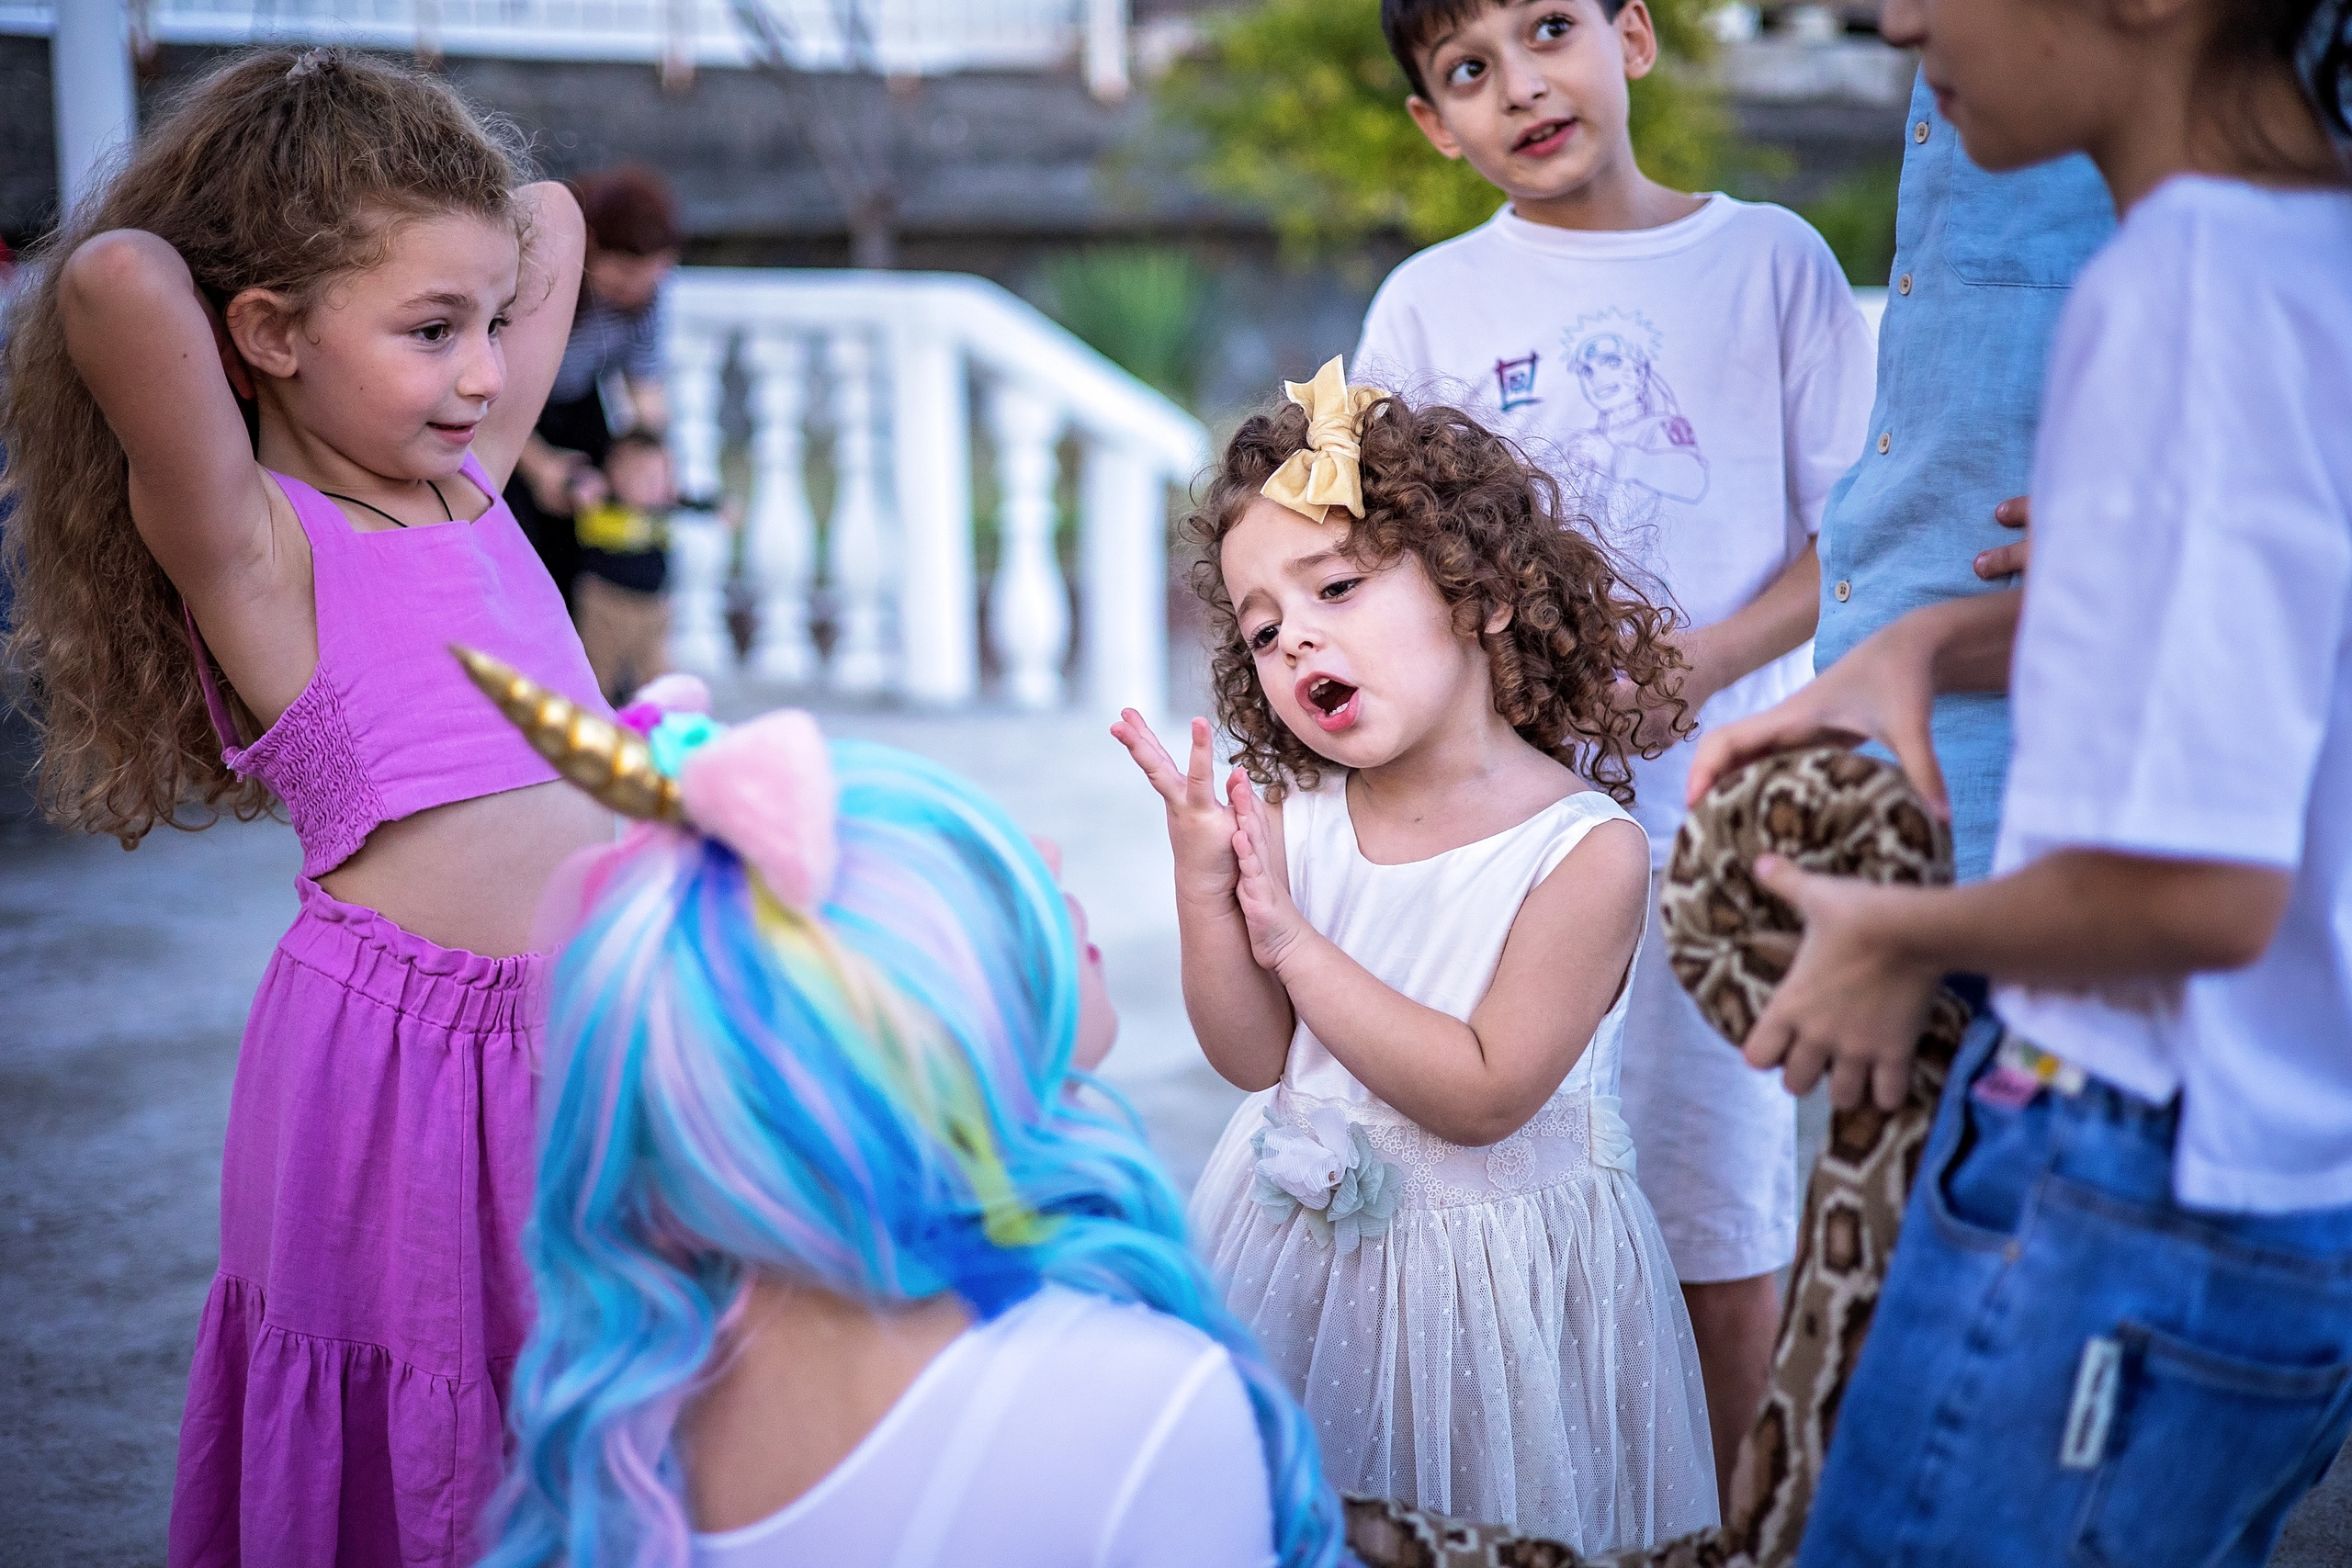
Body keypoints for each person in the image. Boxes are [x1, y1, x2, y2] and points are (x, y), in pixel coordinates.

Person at [1688, 0, 2352, 1553]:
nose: (1889, 16)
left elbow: (2201, 890)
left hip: (2123, 1184)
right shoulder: (2311, 260)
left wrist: (1892, 938)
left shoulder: (2175, 289)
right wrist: (1933, 647)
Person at [0, 49, 611, 1564]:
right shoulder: (256, 542)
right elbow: (125, 277)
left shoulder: (467, 481)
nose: (482, 372)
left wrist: (411, 259)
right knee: (428, 1383)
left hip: (603, 1012)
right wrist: (276, 137)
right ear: (265, 330)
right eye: (428, 330)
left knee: (597, 1368)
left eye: (487, 325)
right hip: (407, 1055)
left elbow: (549, 219)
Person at [468, 668, 1344, 1567]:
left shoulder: (643, 1401)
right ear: (894, 1040)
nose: (1043, 851)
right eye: (975, 889)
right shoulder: (1141, 1410)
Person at [1351, 0, 1878, 1492]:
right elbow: (1380, 556)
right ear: (1432, 125)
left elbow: (1862, 537)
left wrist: (1703, 660)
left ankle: (1732, 1515)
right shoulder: (1427, 305)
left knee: (1715, 1198)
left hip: (1725, 824)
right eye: (1468, 71)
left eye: (1548, 31)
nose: (1521, 86)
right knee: (1502, 1184)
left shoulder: (1770, 261)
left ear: (1633, 37)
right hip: (1500, 835)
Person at [1114, 362, 1714, 1552]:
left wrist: (1291, 938)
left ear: (1480, 593)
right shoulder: (1295, 819)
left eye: (1335, 585)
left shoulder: (1583, 853)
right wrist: (1205, 882)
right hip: (1290, 1252)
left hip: (1487, 1289)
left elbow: (1487, 1089)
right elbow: (1252, 1057)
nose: (1299, 642)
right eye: (1266, 627)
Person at [506, 164, 681, 605]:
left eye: (650, 275)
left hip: (580, 402)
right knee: (522, 532)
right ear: (591, 248)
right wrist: (543, 467)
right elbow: (501, 400)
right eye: (623, 274)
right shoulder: (544, 283)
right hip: (515, 406)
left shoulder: (647, 298)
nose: (635, 290)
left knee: (602, 525)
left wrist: (656, 460)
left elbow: (646, 393)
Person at [571, 427, 676, 704]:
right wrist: (583, 490)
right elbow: (577, 492)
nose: (653, 486)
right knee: (597, 670)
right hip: (605, 603)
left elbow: (697, 502)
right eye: (641, 477)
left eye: (659, 477)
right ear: (614, 476)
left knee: (655, 674)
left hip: (653, 609)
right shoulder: (602, 508)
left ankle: (651, 725)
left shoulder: (663, 512)